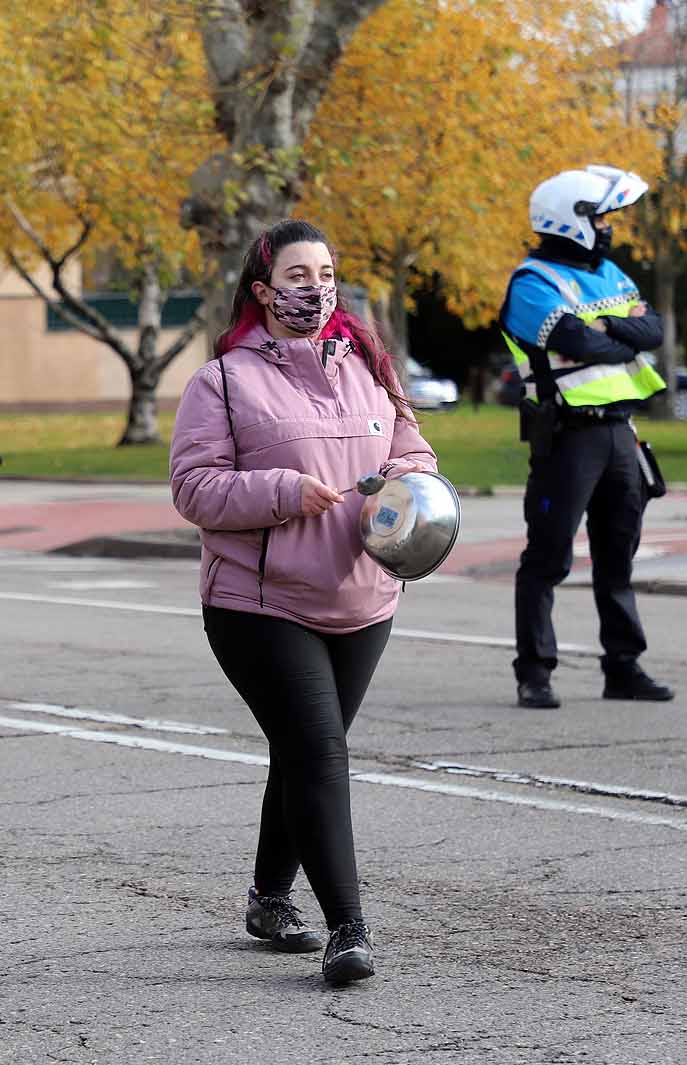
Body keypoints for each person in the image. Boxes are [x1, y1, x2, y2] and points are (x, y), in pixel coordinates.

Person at [169, 219, 438, 986]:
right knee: (319, 750)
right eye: (296, 275)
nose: (314, 286)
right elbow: (194, 488)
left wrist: (408, 484)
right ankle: (347, 928)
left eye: (324, 271)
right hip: (259, 603)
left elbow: (413, 453)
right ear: (262, 289)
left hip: (364, 595)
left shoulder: (371, 368)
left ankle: (267, 896)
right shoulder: (222, 380)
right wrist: (283, 491)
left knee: (300, 753)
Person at [500, 165, 673, 710]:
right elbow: (581, 342)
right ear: (570, 219)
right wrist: (618, 335)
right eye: (600, 217)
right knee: (548, 557)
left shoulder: (612, 275)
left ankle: (623, 668)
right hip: (568, 437)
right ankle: (535, 672)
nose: (608, 228)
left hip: (621, 432)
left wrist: (609, 331)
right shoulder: (533, 283)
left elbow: (654, 331)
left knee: (618, 555)